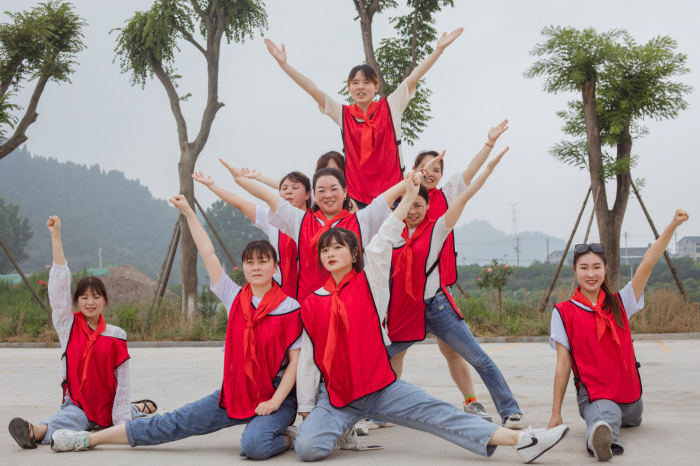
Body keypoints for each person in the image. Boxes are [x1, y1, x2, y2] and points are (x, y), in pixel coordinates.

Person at [294, 171, 570, 464]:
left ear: (354, 254)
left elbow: (384, 236)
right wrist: (307, 406)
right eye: (325, 249)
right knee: (307, 448)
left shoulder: (369, 282)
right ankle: (344, 428)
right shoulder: (311, 304)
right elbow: (309, 359)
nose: (330, 253)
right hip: (337, 396)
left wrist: (408, 199)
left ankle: (525, 441)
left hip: (380, 387)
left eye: (338, 247)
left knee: (439, 412)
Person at [48, 197, 304, 460]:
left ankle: (288, 436)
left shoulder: (290, 308)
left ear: (275, 266)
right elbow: (208, 252)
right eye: (250, 262)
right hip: (237, 392)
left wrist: (275, 401)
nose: (256, 267)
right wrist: (188, 212)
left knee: (255, 446)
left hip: (276, 398)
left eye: (263, 261)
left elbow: (295, 363)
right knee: (172, 422)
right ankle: (87, 439)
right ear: (244, 268)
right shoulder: (234, 296)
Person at [383, 148, 525, 430]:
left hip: (437, 307)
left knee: (478, 358)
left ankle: (510, 412)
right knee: (380, 359)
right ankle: (374, 412)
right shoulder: (389, 233)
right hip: (405, 310)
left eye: (419, 206)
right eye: (409, 205)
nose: (413, 211)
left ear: (427, 207)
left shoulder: (437, 228)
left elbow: (464, 195)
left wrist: (489, 166)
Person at [264, 28, 463, 208]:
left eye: (366, 82)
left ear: (376, 87)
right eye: (355, 82)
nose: (360, 87)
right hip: (356, 198)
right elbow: (312, 89)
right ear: (349, 88)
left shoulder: (390, 106)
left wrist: (438, 50)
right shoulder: (342, 113)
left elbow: (413, 77)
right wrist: (284, 65)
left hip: (392, 193)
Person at [548, 209, 689, 461]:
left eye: (596, 267)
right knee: (605, 419)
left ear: (605, 269)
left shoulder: (621, 301)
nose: (591, 274)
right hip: (598, 397)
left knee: (623, 416)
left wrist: (673, 225)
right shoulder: (563, 312)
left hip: (632, 399)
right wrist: (555, 413)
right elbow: (563, 364)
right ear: (575, 271)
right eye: (584, 268)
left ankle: (609, 425)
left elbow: (648, 262)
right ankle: (600, 442)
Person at [8, 216, 156, 449]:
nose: (90, 302)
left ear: (104, 300)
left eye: (96, 297)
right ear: (76, 301)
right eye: (84, 297)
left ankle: (134, 408)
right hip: (79, 404)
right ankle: (33, 431)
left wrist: (121, 424)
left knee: (118, 414)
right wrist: (56, 236)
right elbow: (58, 290)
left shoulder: (117, 335)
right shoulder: (68, 325)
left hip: (107, 404)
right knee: (67, 420)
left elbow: (122, 383)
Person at [227, 160, 408, 304]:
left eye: (334, 189)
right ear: (314, 195)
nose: (328, 195)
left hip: (353, 304)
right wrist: (240, 181)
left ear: (345, 192)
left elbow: (387, 198)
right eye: (321, 190)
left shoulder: (361, 220)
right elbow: (269, 198)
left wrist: (414, 178)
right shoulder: (301, 221)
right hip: (310, 307)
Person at [193, 167, 312, 298]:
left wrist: (259, 178)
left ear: (308, 194)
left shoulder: (318, 222)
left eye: (295, 188)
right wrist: (212, 186)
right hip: (280, 295)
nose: (289, 191)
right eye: (284, 189)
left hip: (313, 292)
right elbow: (240, 203)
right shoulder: (272, 219)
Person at [239, 151, 359, 213]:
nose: (329, 176)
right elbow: (288, 186)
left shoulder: (351, 203)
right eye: (324, 171)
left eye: (335, 171)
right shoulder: (317, 198)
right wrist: (259, 177)